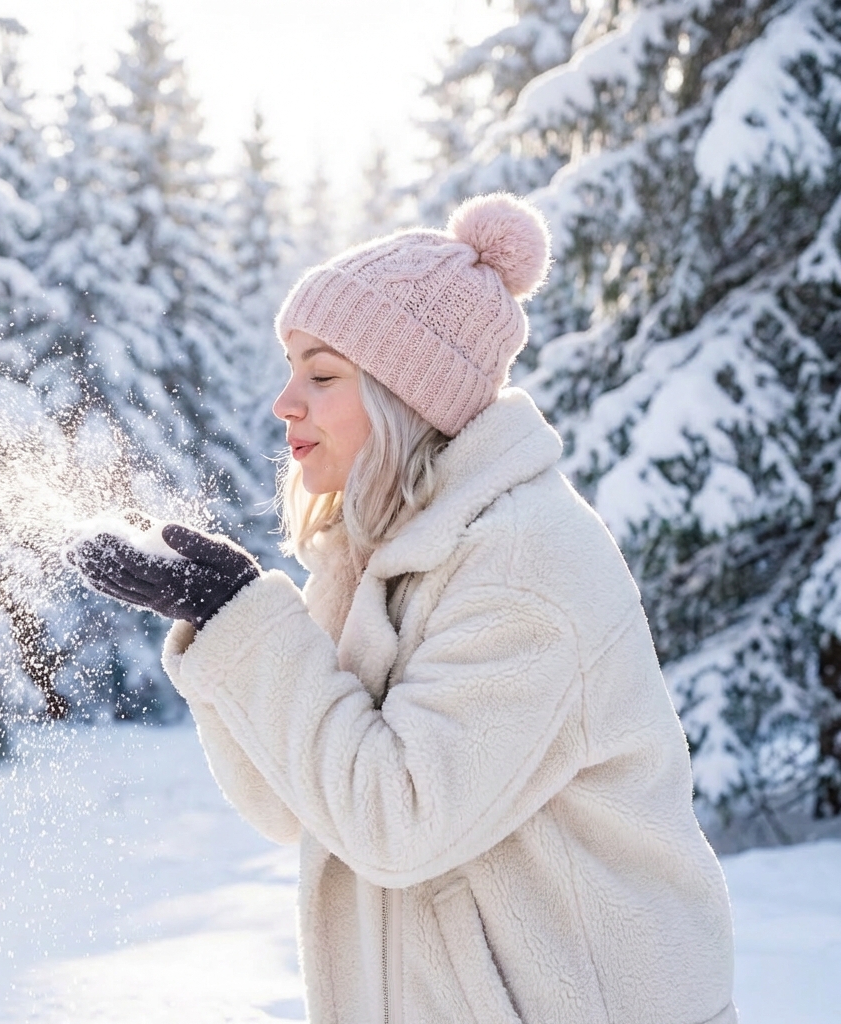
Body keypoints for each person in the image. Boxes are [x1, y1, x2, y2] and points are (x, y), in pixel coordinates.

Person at [69, 192, 737, 1024]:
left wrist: (247, 622)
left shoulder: (523, 565)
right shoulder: (377, 559)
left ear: (404, 398)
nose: (285, 402)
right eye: (290, 371)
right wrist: (217, 626)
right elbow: (292, 802)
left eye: (321, 375)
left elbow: (397, 817)